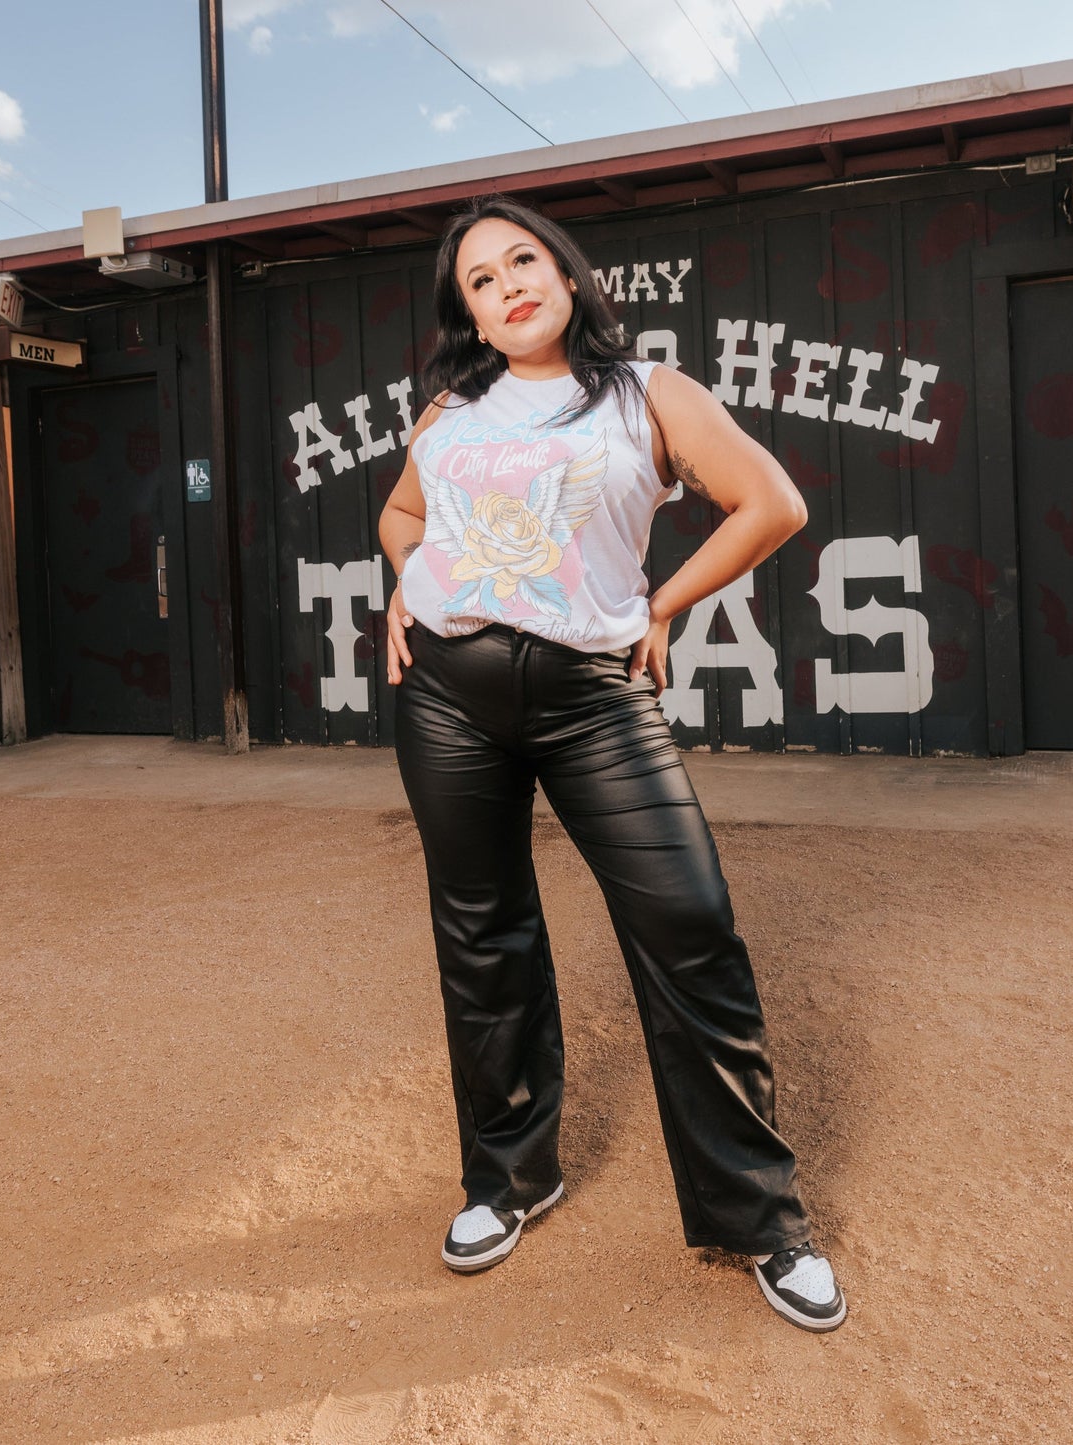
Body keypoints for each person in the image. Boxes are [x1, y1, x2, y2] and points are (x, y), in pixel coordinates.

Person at [378, 195, 845, 1333]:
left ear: (568, 274)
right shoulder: (450, 408)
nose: (506, 288)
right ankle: (507, 1177)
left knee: (688, 921)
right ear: (471, 315)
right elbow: (400, 513)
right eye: (479, 282)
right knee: (481, 930)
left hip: (593, 696)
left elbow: (770, 502)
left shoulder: (648, 394)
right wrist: (404, 578)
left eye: (521, 261)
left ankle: (757, 1218)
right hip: (443, 693)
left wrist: (661, 601)